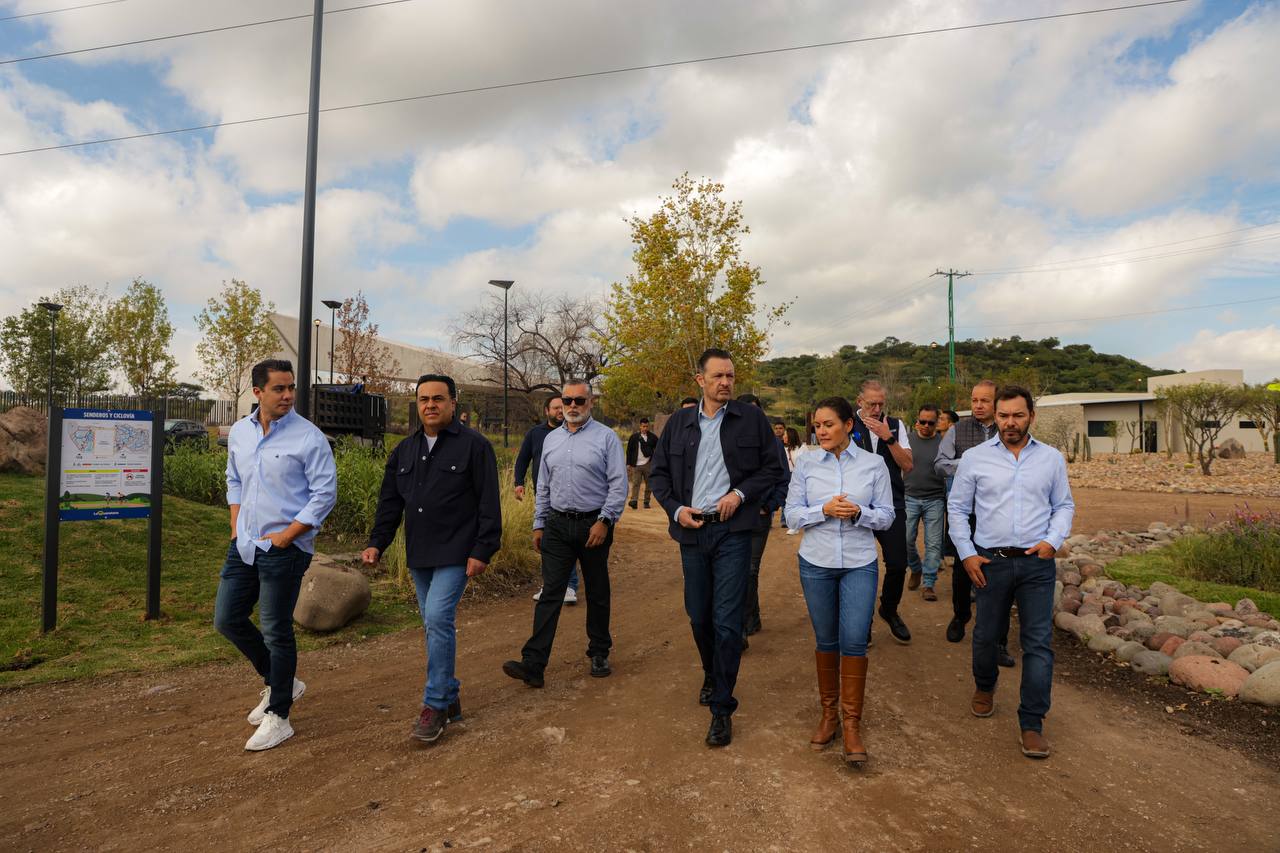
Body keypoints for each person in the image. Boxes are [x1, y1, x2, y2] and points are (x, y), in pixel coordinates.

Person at [649, 349, 786, 748]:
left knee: (727, 622)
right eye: (718, 376)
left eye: (730, 375)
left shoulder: (752, 420)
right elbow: (658, 475)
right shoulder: (679, 423)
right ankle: (711, 672)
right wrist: (676, 510)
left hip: (734, 532)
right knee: (698, 617)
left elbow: (772, 469)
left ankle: (722, 708)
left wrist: (741, 494)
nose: (726, 382)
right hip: (693, 532)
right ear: (700, 380)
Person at [363, 374, 501, 744]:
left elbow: (489, 504)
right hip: (420, 553)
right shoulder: (404, 451)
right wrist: (378, 542)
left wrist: (482, 550)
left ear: (453, 403)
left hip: (457, 551)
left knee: (439, 618)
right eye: (423, 399)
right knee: (433, 624)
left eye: (438, 398)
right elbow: (390, 503)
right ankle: (451, 695)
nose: (430, 405)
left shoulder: (475, 447)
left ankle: (435, 704)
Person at [216, 359, 336, 752]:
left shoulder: (309, 437)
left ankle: (280, 716)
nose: (287, 396)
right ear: (257, 393)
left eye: (291, 388)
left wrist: (288, 535)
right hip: (245, 544)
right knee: (227, 619)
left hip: (285, 549)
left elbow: (324, 494)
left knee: (276, 629)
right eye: (278, 389)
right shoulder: (240, 433)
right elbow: (234, 478)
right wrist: (235, 525)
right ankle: (281, 680)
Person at [948, 385, 1074, 760]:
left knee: (1037, 643)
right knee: (986, 635)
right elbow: (957, 509)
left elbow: (1063, 505)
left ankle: (1032, 722)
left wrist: (1053, 540)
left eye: (1018, 415)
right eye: (1003, 416)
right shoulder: (974, 458)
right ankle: (984, 686)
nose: (1010, 423)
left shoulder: (1051, 458)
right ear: (995, 417)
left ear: (1031, 417)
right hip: (991, 561)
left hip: (1037, 563)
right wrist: (968, 554)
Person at [785, 396, 894, 765]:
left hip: (860, 563)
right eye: (817, 425)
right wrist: (825, 510)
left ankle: (851, 724)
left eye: (828, 424)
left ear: (849, 425)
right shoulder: (806, 463)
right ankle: (828, 715)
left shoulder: (874, 464)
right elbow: (792, 516)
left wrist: (860, 513)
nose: (821, 431)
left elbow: (888, 516)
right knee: (826, 640)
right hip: (816, 561)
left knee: (854, 641)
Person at [503, 380, 627, 688]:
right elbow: (543, 485)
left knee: (597, 591)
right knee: (550, 593)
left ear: (590, 403)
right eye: (567, 401)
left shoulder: (607, 438)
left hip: (593, 525)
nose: (572, 406)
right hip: (557, 525)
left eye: (578, 401)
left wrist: (605, 521)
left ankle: (599, 652)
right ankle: (534, 664)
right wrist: (538, 523)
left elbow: (618, 484)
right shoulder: (551, 440)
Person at [934, 381, 1013, 667]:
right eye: (974, 400)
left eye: (985, 400)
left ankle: (1000, 641)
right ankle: (960, 615)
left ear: (997, 403)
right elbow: (941, 464)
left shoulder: (1009, 430)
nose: (978, 405)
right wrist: (971, 463)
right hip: (965, 512)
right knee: (961, 571)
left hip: (998, 513)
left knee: (1001, 577)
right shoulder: (957, 430)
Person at [850, 380, 914, 644]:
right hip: (857, 506)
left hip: (892, 503)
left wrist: (888, 437)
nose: (876, 409)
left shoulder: (896, 426)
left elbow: (908, 464)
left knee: (898, 563)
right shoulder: (847, 424)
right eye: (871, 404)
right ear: (859, 402)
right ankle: (861, 621)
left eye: (880, 404)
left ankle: (889, 609)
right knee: (859, 567)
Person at [736, 394, 789, 646]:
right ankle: (749, 618)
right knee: (735, 571)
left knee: (749, 570)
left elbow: (783, 479)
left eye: (754, 411)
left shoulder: (773, 443)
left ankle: (745, 624)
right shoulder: (727, 438)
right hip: (732, 518)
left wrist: (769, 506)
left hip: (758, 518)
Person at [515, 396, 579, 605]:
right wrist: (518, 482)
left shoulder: (575, 432)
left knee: (567, 540)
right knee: (547, 541)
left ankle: (569, 586)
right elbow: (523, 458)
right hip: (544, 496)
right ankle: (551, 585)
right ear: (546, 411)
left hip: (568, 496)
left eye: (563, 407)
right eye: (556, 408)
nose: (561, 410)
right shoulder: (535, 434)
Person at [904, 404, 947, 602]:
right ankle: (915, 568)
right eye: (923, 421)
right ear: (917, 420)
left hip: (935, 499)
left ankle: (928, 583)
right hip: (909, 497)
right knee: (905, 539)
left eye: (931, 422)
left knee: (933, 545)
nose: (926, 425)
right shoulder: (907, 440)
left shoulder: (944, 443)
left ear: (937, 423)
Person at [626, 418, 658, 509]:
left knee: (649, 483)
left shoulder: (653, 437)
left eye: (647, 426)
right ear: (640, 426)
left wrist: (655, 460)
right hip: (636, 465)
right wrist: (628, 464)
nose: (645, 428)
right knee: (636, 483)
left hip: (648, 464)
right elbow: (629, 451)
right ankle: (634, 501)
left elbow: (659, 448)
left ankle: (646, 501)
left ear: (649, 427)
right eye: (643, 426)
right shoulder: (634, 437)